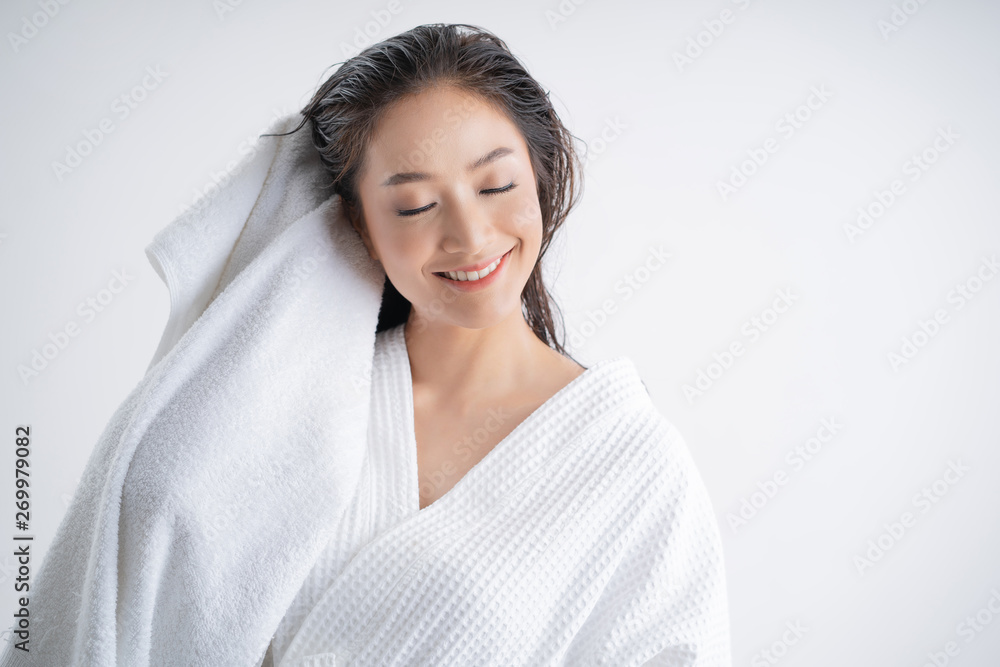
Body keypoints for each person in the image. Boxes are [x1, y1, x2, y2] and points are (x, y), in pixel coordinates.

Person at [262, 23, 731, 666]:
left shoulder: (632, 465)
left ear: (539, 177)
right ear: (360, 227)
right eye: (416, 204)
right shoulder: (299, 399)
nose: (469, 235)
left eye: (494, 187)